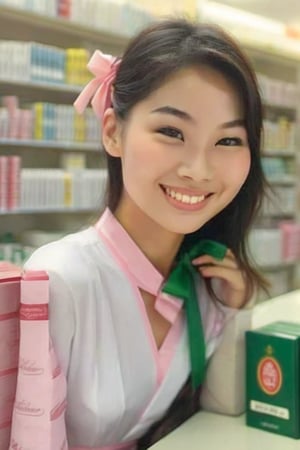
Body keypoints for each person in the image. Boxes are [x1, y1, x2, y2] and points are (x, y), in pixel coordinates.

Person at [24, 17, 267, 450]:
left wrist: (235, 312)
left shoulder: (203, 282)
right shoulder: (61, 278)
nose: (199, 169)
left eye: (228, 141)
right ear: (114, 132)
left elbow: (212, 418)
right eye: (171, 132)